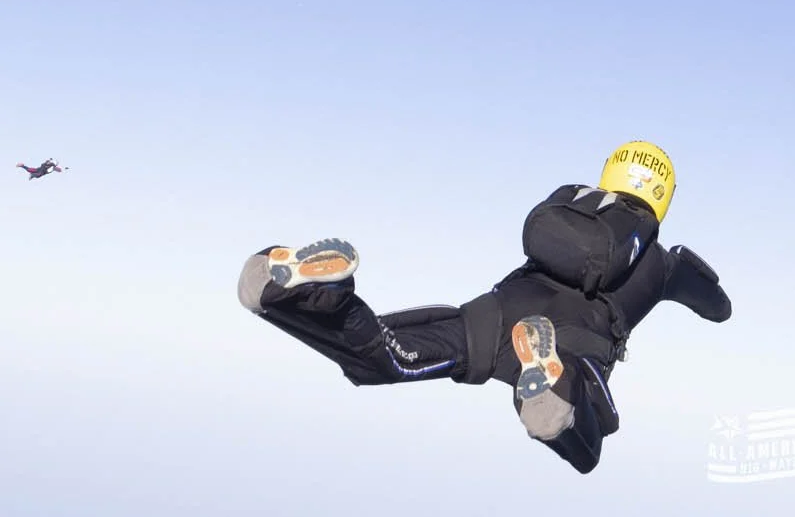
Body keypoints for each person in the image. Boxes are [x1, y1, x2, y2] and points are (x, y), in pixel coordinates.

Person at [238, 145, 729, 475]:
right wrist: (711, 302)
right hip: (578, 337)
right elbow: (716, 304)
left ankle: (296, 293)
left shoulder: (574, 200)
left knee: (388, 357)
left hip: (501, 311)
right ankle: (552, 385)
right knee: (584, 443)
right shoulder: (663, 262)